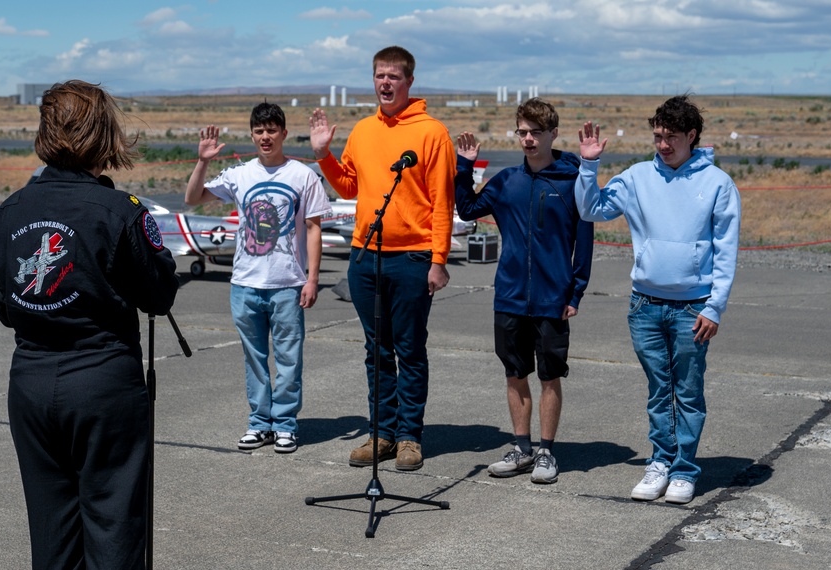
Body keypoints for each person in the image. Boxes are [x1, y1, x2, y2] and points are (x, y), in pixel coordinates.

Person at [0, 80, 180, 570]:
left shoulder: (11, 211)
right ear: (102, 133)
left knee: (53, 536)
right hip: (101, 381)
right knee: (114, 529)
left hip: (32, 379)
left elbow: (4, 305)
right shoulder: (118, 210)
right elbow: (159, 292)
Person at [576, 95, 741, 504]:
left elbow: (726, 250)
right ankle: (660, 463)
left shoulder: (717, 184)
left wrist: (714, 306)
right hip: (644, 306)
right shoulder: (636, 178)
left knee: (687, 390)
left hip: (693, 308)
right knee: (658, 388)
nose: (663, 145)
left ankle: (685, 470)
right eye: (657, 137)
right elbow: (591, 209)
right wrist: (589, 165)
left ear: (692, 136)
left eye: (671, 138)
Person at [309, 45, 455, 471]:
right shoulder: (363, 130)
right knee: (377, 351)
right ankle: (382, 433)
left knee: (409, 349)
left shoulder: (432, 132)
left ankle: (410, 436)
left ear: (410, 81)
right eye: (379, 76)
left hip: (411, 258)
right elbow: (349, 188)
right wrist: (323, 154)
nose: (385, 83)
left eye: (393, 76)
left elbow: (442, 202)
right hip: (365, 258)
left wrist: (438, 258)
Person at [455, 98, 594, 484]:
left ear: (552, 134)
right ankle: (522, 447)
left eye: (535, 132)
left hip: (553, 296)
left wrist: (576, 291)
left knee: (550, 376)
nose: (528, 140)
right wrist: (464, 166)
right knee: (515, 373)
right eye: (522, 132)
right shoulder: (506, 182)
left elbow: (584, 241)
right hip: (511, 295)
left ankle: (547, 451)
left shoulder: (572, 181)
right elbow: (466, 208)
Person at [185, 103, 330, 453]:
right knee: (254, 357)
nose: (266, 137)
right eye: (259, 131)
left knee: (288, 358)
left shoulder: (303, 175)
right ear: (252, 135)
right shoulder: (240, 174)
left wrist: (312, 279)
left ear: (283, 132)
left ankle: (285, 424)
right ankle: (259, 423)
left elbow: (313, 229)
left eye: (272, 130)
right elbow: (193, 199)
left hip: (287, 284)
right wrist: (203, 161)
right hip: (245, 283)